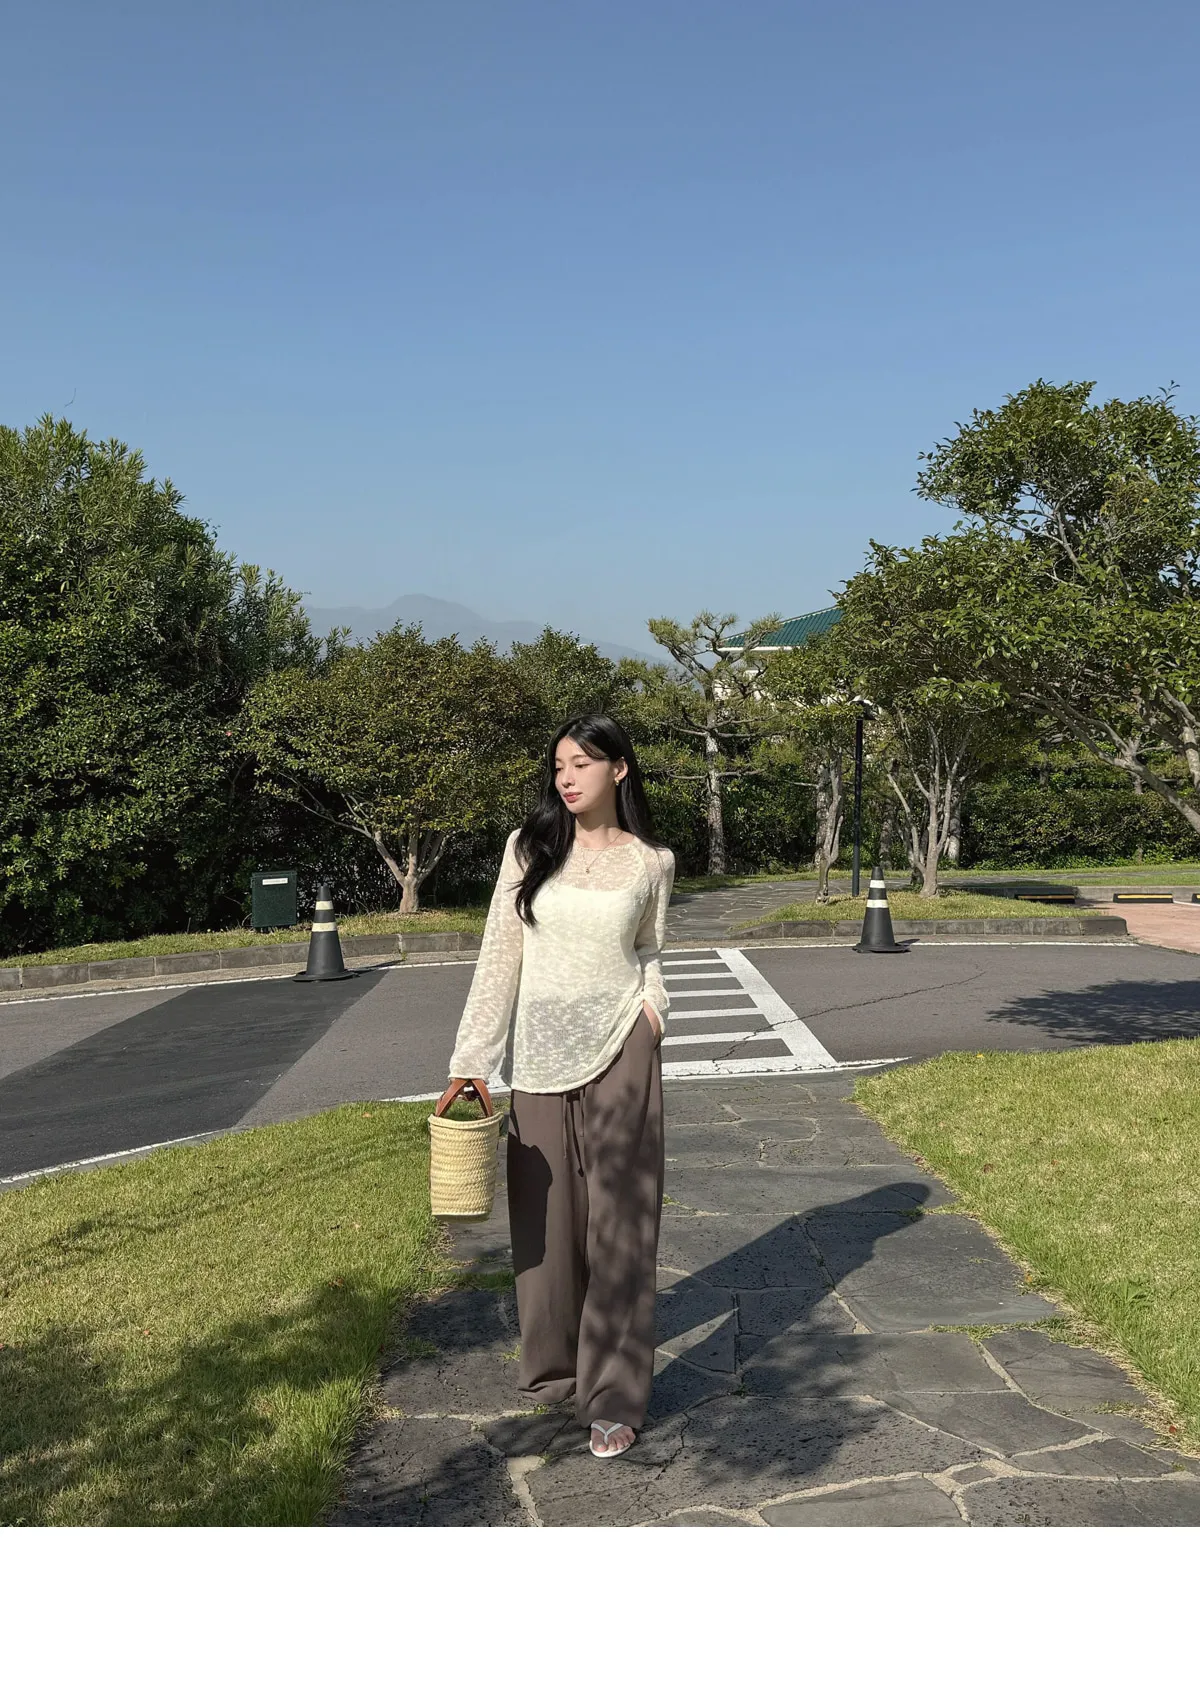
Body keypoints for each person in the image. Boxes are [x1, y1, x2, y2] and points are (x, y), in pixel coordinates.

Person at [438, 712, 676, 1459]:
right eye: (559, 765)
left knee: (621, 1223)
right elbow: (498, 957)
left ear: (619, 769)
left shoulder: (653, 862)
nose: (567, 777)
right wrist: (472, 1058)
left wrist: (653, 1011)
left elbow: (650, 950)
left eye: (582, 763)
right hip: (538, 1056)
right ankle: (554, 1372)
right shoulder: (529, 848)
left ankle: (613, 1394)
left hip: (622, 1044)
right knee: (544, 1222)